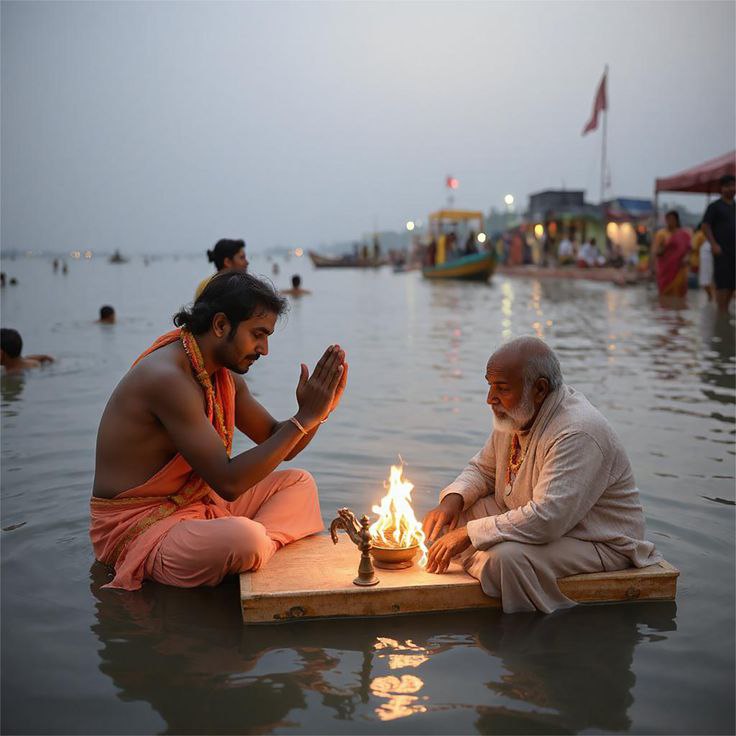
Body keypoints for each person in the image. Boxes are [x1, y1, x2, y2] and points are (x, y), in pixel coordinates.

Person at [89, 271, 348, 591]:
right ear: (221, 325)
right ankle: (252, 549)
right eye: (258, 334)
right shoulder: (167, 378)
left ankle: (251, 552)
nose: (264, 349)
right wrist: (303, 419)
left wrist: (317, 415)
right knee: (245, 538)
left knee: (300, 483)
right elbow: (228, 482)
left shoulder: (221, 376)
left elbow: (280, 443)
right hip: (140, 528)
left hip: (193, 507)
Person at [421, 336, 660, 614]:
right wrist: (452, 500)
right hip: (529, 517)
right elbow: (483, 470)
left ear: (539, 389)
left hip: (594, 540)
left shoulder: (578, 432)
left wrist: (470, 534)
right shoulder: (516, 414)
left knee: (504, 561)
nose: (490, 399)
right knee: (450, 522)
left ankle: (524, 622)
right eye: (489, 386)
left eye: (501, 389)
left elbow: (547, 519)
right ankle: (480, 564)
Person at [702, 174, 735, 312]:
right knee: (722, 285)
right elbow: (705, 226)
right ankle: (720, 316)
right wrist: (714, 244)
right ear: (721, 188)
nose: (732, 189)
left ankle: (725, 316)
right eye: (728, 186)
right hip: (721, 252)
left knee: (732, 285)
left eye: (734, 185)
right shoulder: (715, 207)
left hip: (734, 252)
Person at [653, 210, 691, 298]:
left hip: (680, 268)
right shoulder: (661, 234)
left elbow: (689, 249)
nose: (670, 221)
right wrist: (662, 248)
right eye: (668, 219)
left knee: (680, 293)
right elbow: (656, 252)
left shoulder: (684, 234)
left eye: (672, 219)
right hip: (665, 269)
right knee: (665, 293)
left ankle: (678, 309)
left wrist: (687, 257)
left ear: (677, 220)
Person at [692, 223, 715, 302]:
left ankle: (711, 298)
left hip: (698, 261)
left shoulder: (699, 235)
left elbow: (693, 247)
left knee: (705, 280)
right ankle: (711, 298)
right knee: (707, 280)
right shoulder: (701, 236)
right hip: (699, 261)